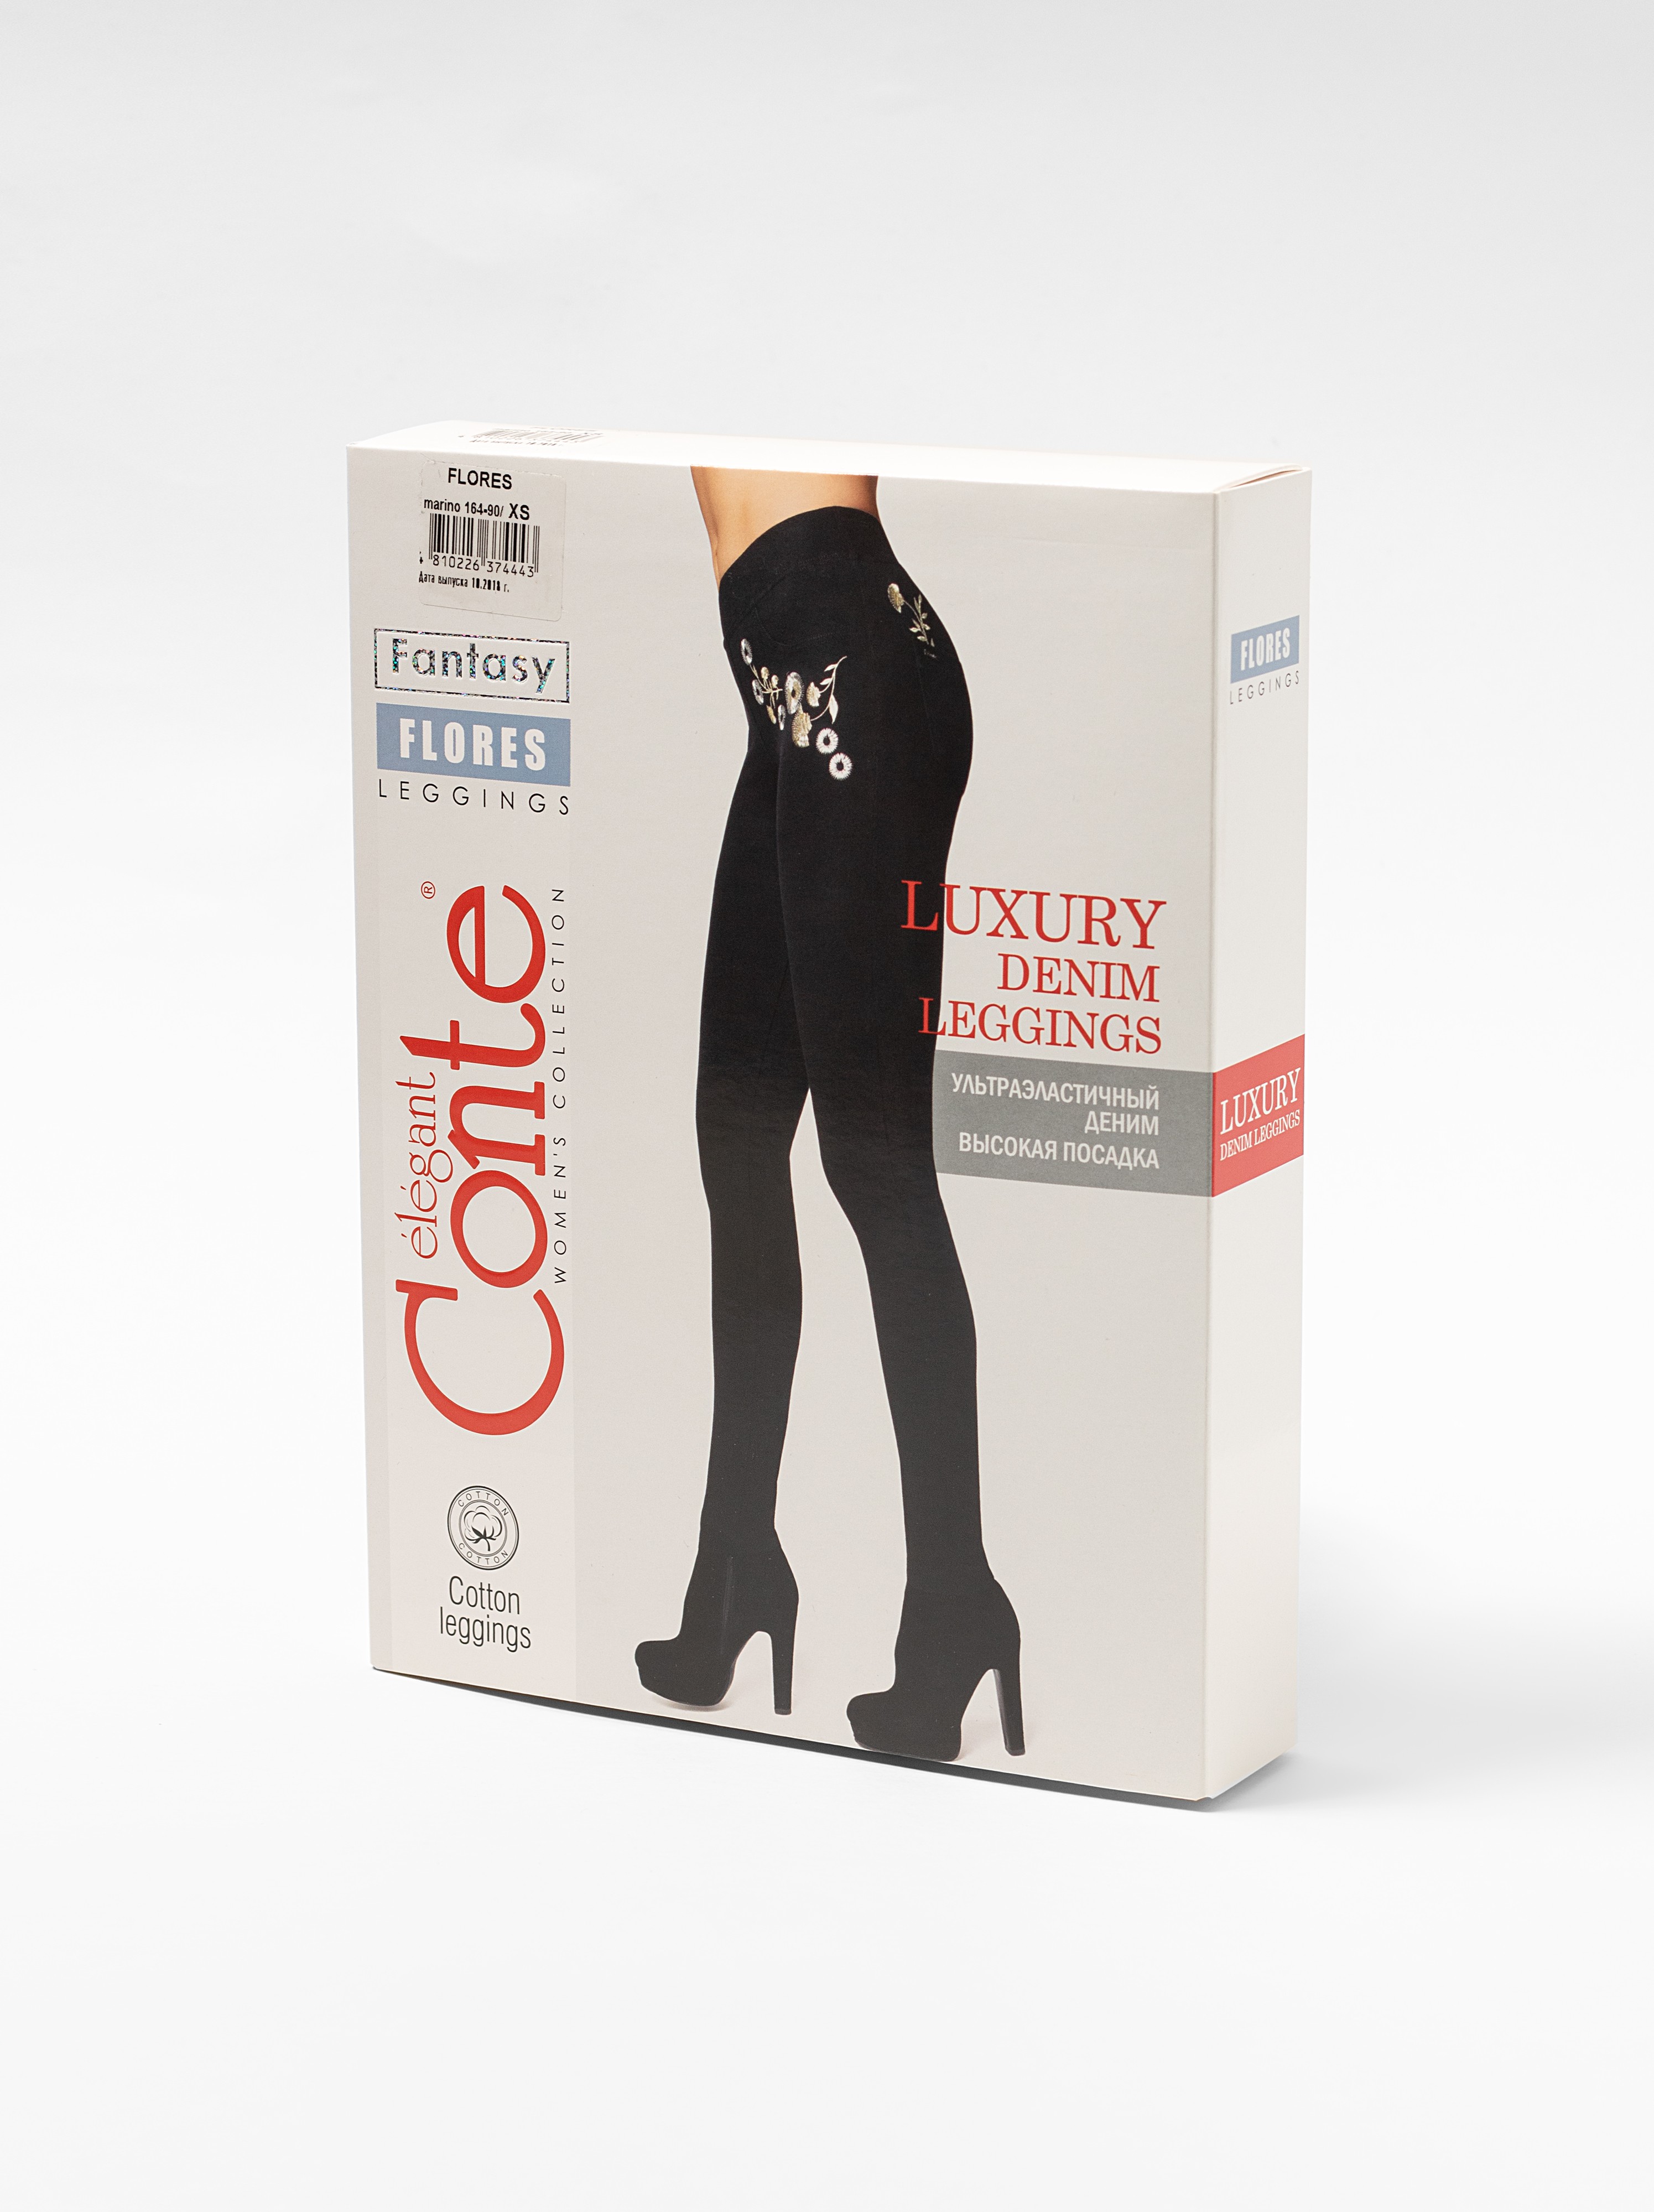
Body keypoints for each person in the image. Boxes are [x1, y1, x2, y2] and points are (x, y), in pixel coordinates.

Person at [634, 469, 1023, 1764]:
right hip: (791, 688)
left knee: (877, 1162)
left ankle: (955, 1601)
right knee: (738, 1135)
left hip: (851, 666)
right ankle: (734, 1558)